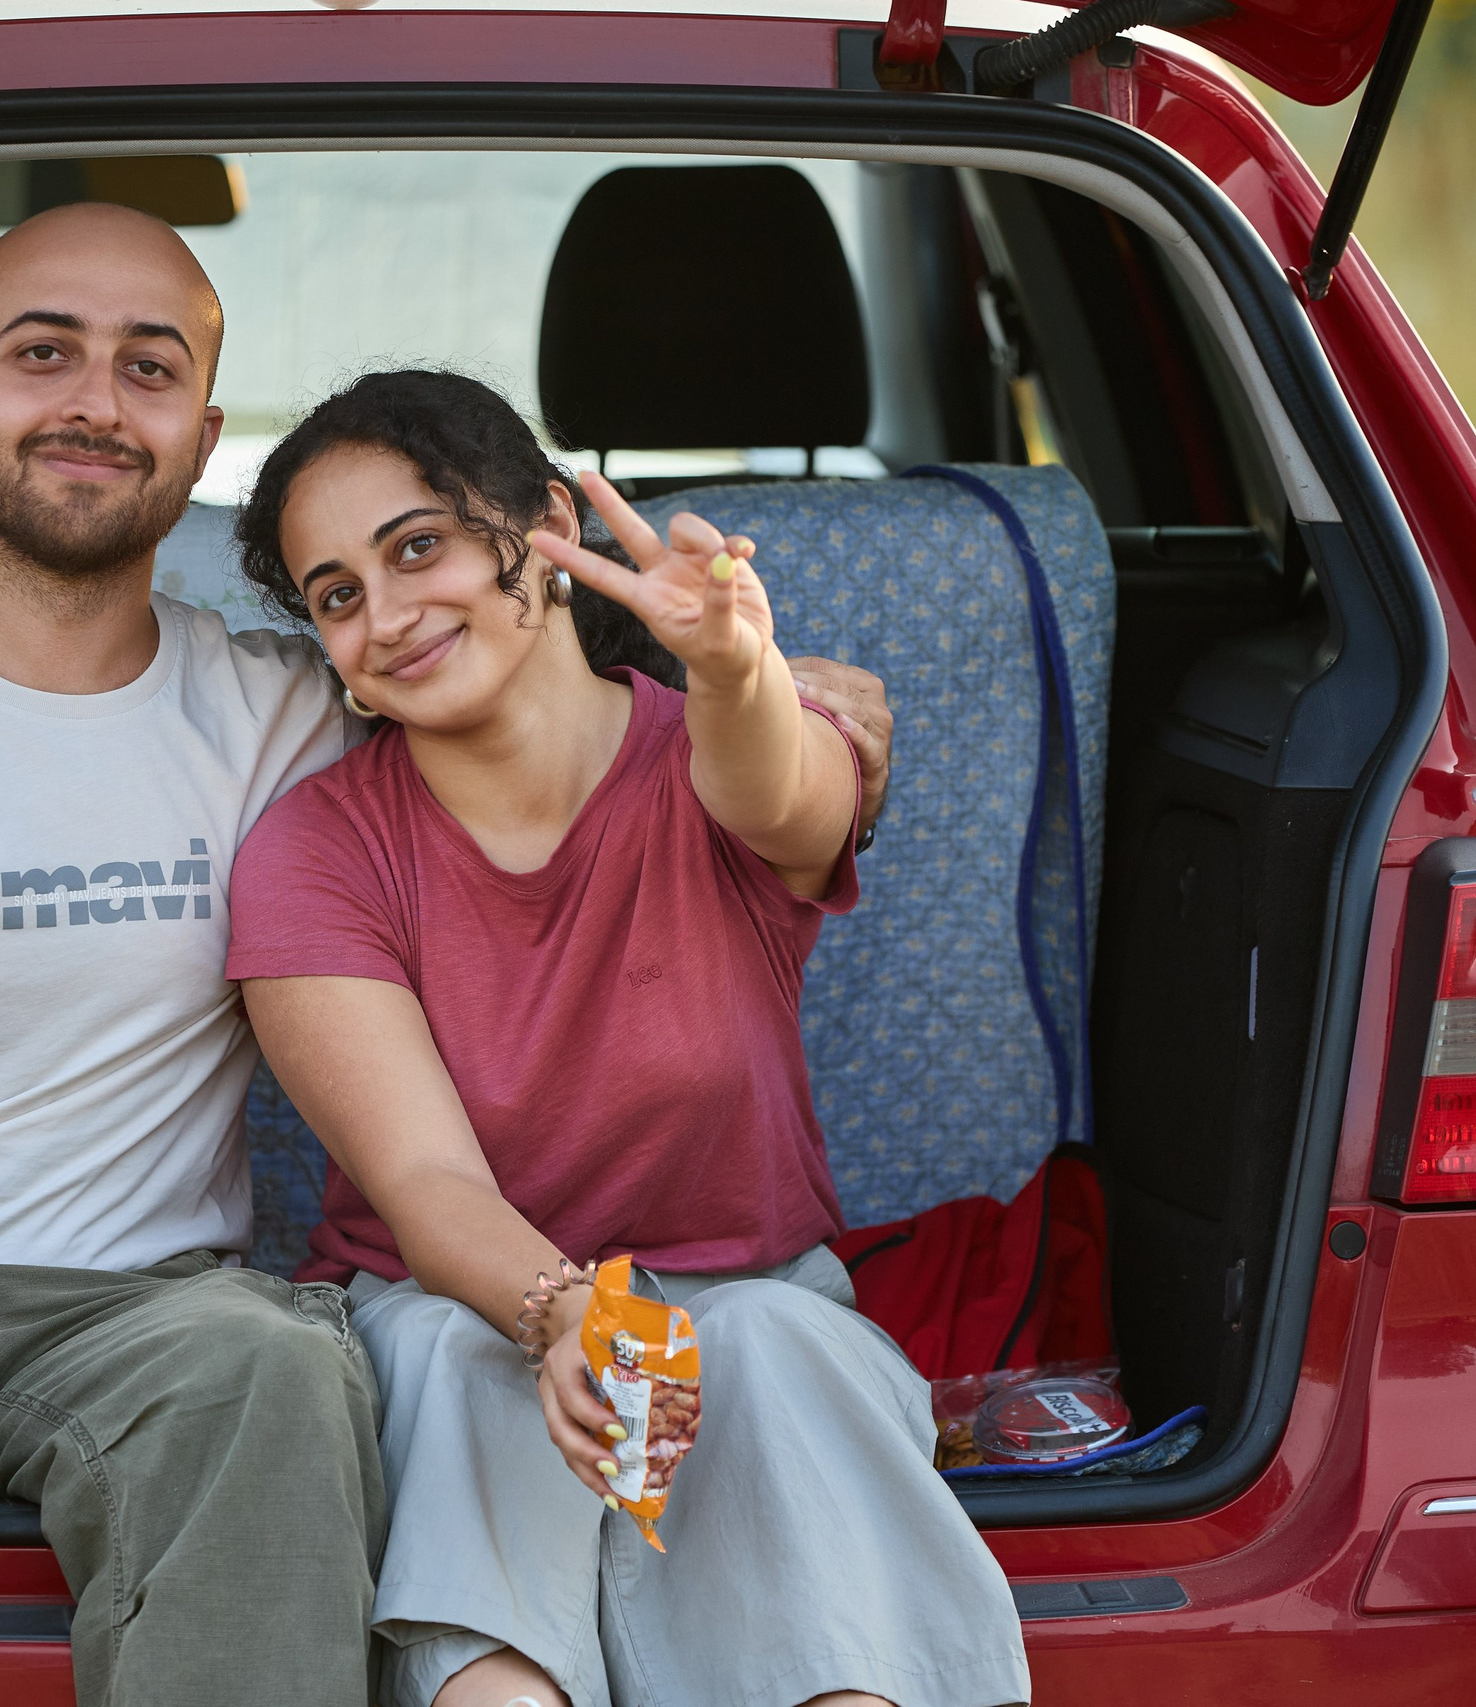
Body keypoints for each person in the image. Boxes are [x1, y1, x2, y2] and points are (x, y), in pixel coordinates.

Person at [0, 203, 893, 1706]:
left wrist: (774, 689)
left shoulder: (304, 703)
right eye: (44, 355)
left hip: (156, 1319)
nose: (98, 403)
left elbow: (519, 697)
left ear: (199, 433)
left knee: (278, 1369)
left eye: (149, 368)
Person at [225, 371, 1028, 1707]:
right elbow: (426, 1186)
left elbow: (788, 795)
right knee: (455, 1366)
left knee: (778, 1346)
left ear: (545, 525)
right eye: (338, 595)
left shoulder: (727, 737)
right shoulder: (314, 850)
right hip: (466, 1302)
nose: (387, 616)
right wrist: (564, 1320)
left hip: (747, 1302)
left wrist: (732, 666)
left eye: (417, 546)